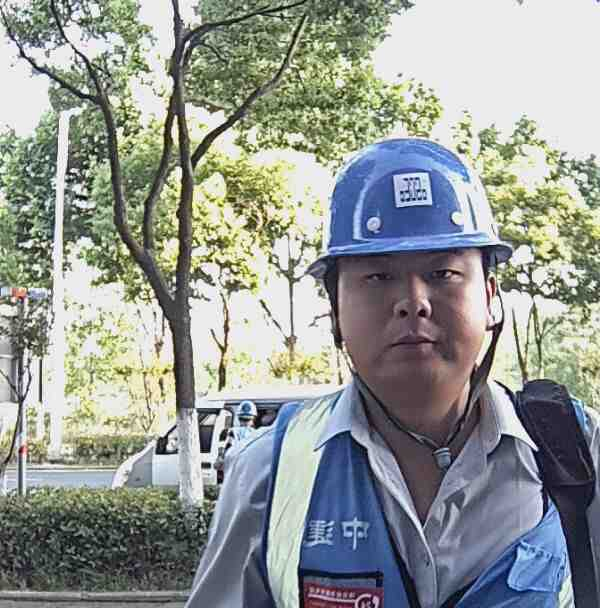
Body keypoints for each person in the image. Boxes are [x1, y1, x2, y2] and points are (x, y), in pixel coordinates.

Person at [186, 139, 600, 608]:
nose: (413, 302)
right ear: (335, 308)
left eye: (443, 273)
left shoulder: (574, 447)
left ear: (489, 296)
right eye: (378, 277)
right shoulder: (270, 471)